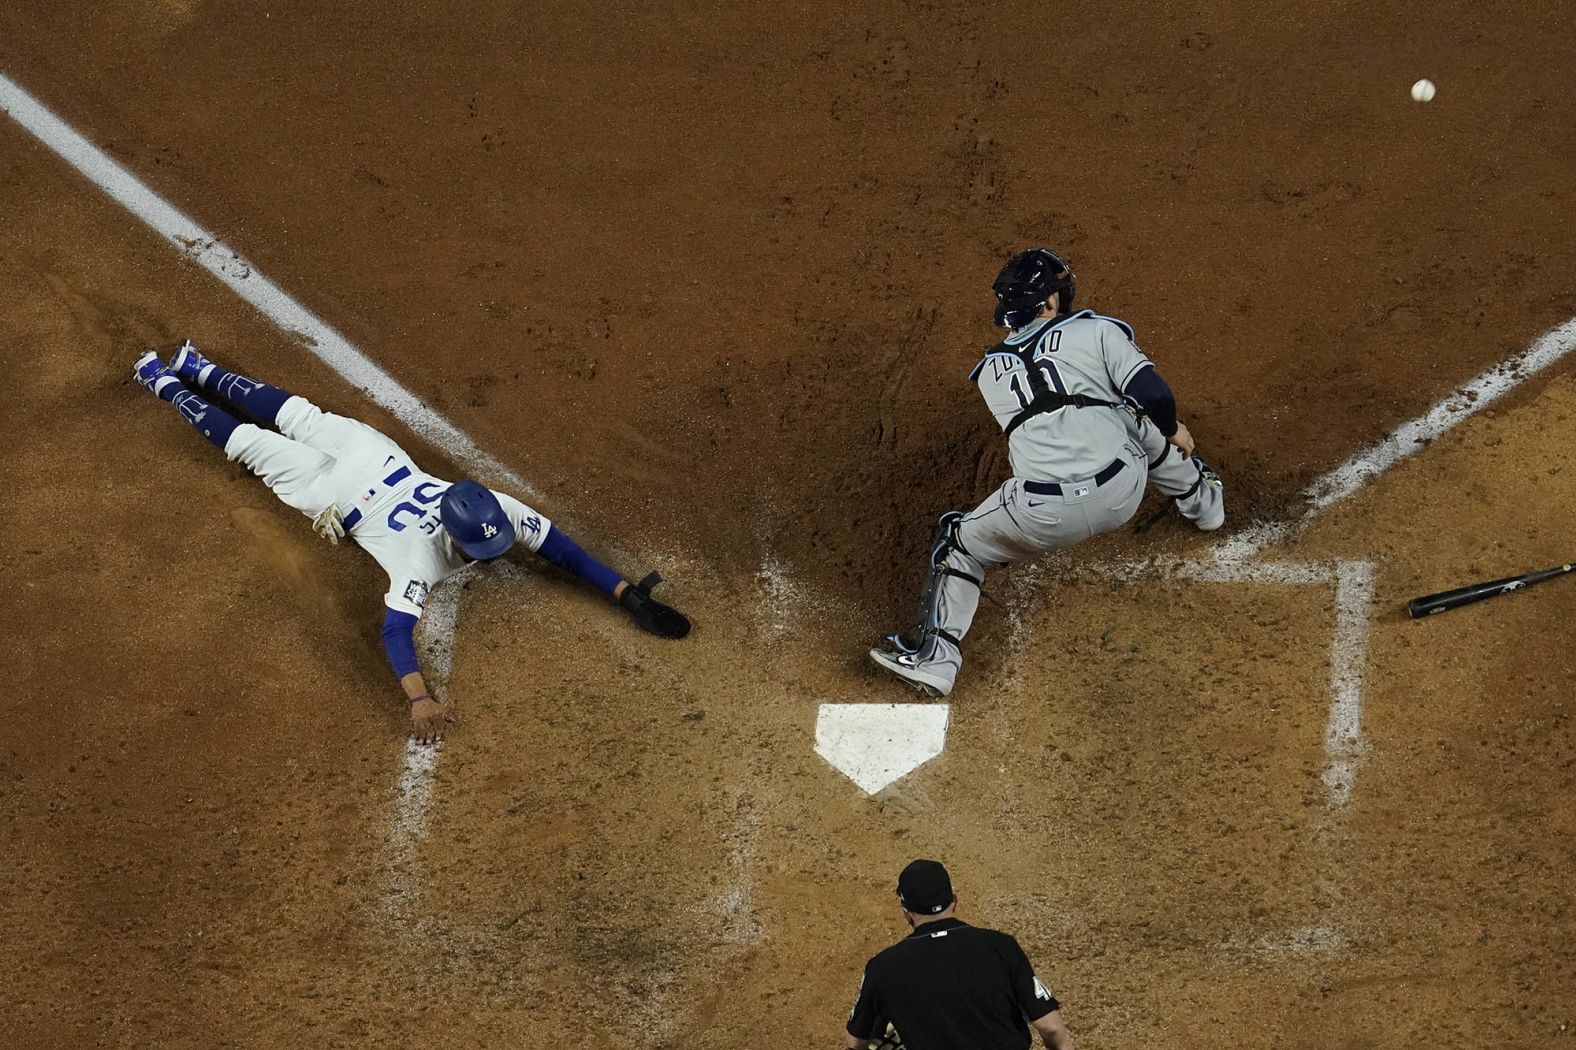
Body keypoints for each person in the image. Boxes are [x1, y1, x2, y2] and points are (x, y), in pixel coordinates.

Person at [132, 341, 690, 743]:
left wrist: (627, 594)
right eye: (478, 552)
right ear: (455, 535)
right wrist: (419, 699)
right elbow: (394, 630)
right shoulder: (418, 561)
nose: (487, 558)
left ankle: (193, 369)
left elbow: (563, 551)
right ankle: (171, 379)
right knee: (257, 438)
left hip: (372, 460)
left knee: (292, 419)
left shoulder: (495, 509)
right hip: (333, 488)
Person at [869, 248, 1224, 697]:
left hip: (1040, 515)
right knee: (1133, 418)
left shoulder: (989, 375)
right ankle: (1206, 504)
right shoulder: (1095, 332)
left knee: (958, 545)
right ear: (1050, 303)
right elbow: (1152, 392)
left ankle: (936, 660)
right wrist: (1172, 430)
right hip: (1122, 490)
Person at [845, 860, 1075, 1050]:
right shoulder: (1001, 947)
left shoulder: (883, 967)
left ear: (907, 914)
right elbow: (1051, 1028)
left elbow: (856, 1042)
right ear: (954, 902)